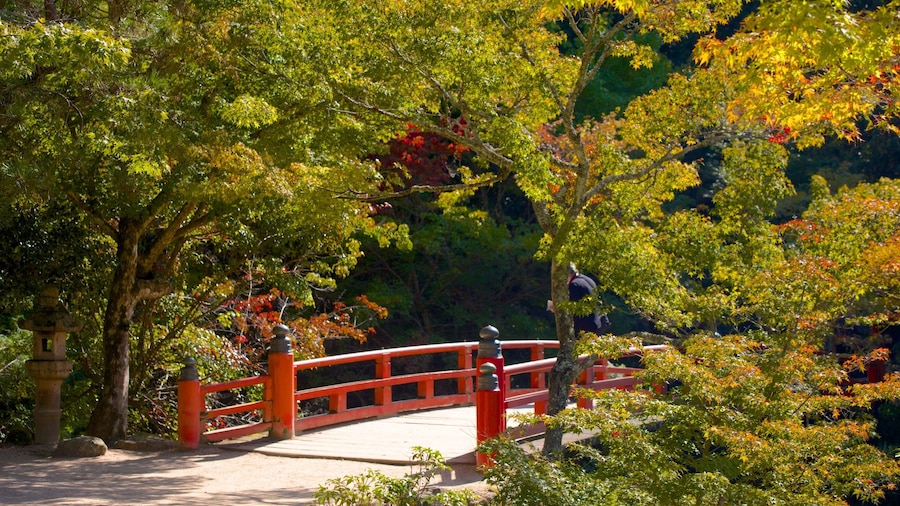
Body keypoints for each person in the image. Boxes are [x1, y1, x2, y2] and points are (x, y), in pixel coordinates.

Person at [547, 263, 611, 335]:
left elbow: (572, 310)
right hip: (598, 324)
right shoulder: (588, 279)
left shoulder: (574, 285)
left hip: (585, 327)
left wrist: (557, 307)